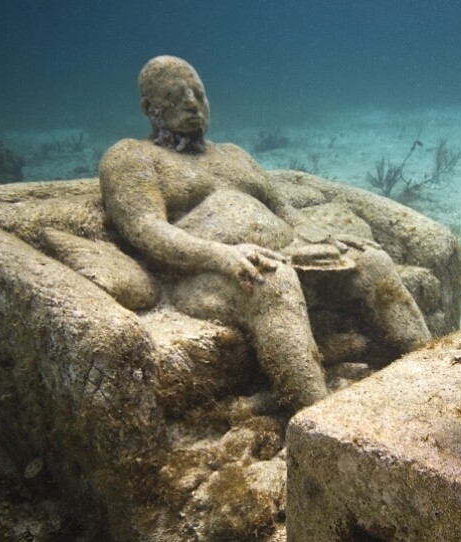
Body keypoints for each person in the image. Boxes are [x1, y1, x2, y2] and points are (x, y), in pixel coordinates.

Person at [99, 55, 430, 410]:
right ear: (149, 108)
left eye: (199, 94)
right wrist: (222, 256)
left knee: (373, 262)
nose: (192, 104)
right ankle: (316, 414)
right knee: (269, 280)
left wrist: (323, 238)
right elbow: (146, 229)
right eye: (176, 97)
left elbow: (283, 208)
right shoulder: (131, 157)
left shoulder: (233, 155)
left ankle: (430, 372)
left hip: (285, 252)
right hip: (203, 273)